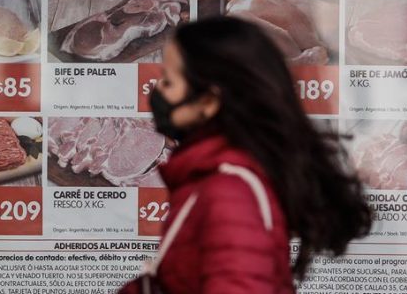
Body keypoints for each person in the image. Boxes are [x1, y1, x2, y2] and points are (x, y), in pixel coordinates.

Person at [119, 16, 371, 294]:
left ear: (209, 101)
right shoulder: (214, 178)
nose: (157, 90)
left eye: (169, 81)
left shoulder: (231, 190)